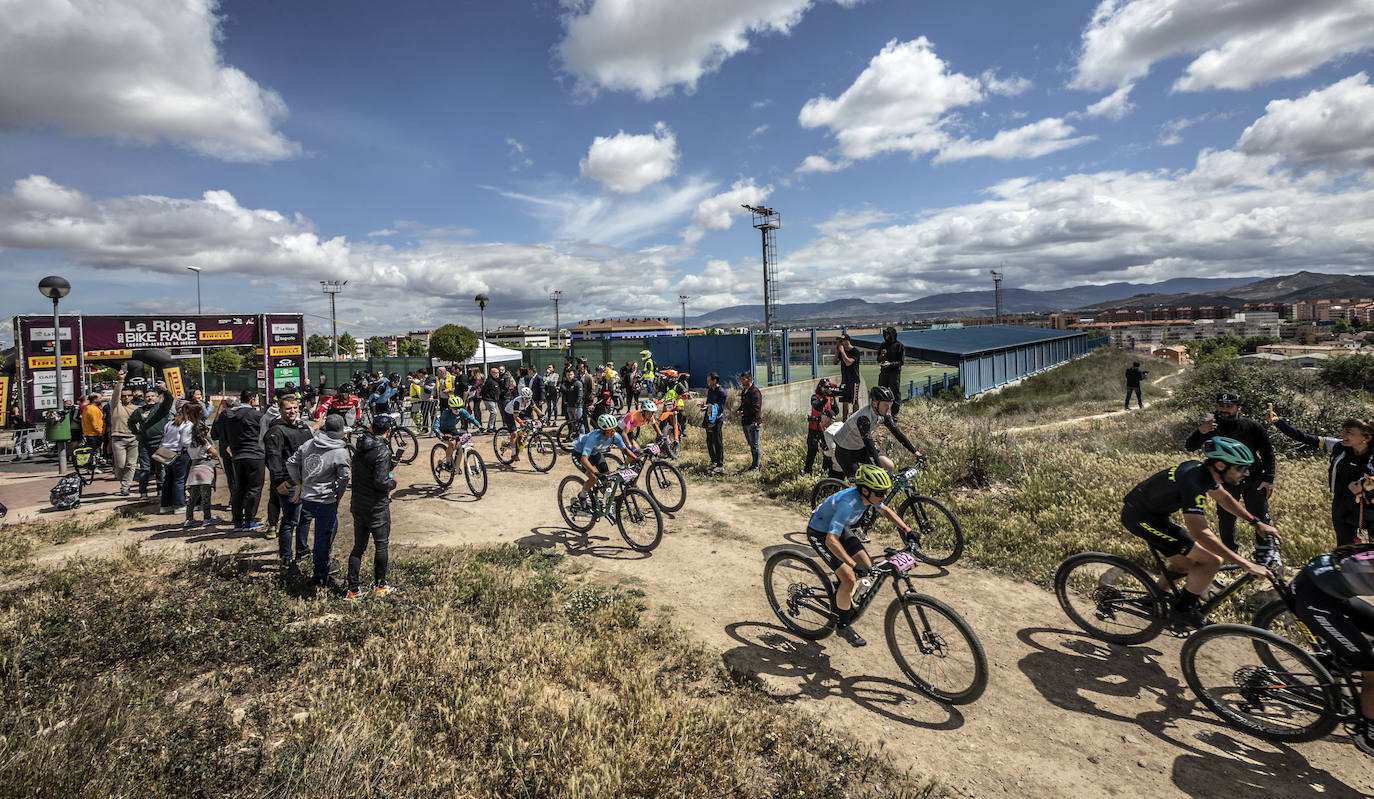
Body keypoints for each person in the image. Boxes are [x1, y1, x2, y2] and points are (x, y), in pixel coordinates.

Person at [1121, 437, 1277, 628]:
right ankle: (1182, 611)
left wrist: (1256, 522)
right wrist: (1246, 564)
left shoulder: (1205, 473)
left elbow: (1224, 499)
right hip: (1139, 517)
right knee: (1211, 560)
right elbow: (1200, 533)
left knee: (1184, 563)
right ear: (1220, 465)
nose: (1246, 473)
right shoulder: (1193, 480)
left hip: (1154, 515)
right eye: (1241, 468)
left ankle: (1153, 599)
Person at [806, 465, 914, 647]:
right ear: (865, 490)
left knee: (867, 565)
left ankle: (839, 592)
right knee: (849, 577)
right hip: (820, 534)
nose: (884, 496)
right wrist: (851, 565)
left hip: (840, 530)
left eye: (885, 492)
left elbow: (885, 510)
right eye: (880, 493)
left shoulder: (869, 496)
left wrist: (907, 529)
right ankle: (842, 626)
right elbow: (831, 541)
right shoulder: (847, 505)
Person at [1288, 542, 1374, 755]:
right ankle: (1368, 732)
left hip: (1327, 587)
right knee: (1373, 669)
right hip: (1315, 600)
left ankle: (1343, 660)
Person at [1184, 391, 1276, 551]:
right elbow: (1190, 447)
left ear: (1239, 408)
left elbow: (1267, 452)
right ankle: (1230, 552)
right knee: (1226, 518)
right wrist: (1201, 432)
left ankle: (1264, 553)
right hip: (1225, 480)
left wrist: (1268, 479)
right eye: (1221, 406)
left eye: (1229, 406)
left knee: (1260, 516)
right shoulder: (1210, 426)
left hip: (1253, 478)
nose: (1224, 409)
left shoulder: (1252, 426)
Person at [1270, 412, 1374, 546]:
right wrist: (1279, 422)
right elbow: (1305, 438)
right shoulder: (1339, 446)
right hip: (1342, 503)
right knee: (1345, 548)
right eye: (1342, 430)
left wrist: (1365, 484)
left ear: (1366, 438)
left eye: (1349, 432)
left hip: (1370, 504)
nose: (1342, 435)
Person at [287, 414, 352, 586]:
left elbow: (291, 463)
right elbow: (344, 479)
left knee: (308, 528)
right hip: (325, 501)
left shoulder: (308, 444)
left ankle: (305, 556)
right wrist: (338, 496)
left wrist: (299, 483)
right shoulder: (340, 452)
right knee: (323, 537)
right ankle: (321, 575)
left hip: (307, 498)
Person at [346, 414, 399, 600]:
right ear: (388, 431)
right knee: (381, 546)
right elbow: (380, 481)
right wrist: (392, 483)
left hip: (358, 504)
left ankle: (353, 590)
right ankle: (380, 586)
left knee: (358, 548)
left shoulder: (360, 447)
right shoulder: (383, 451)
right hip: (376, 506)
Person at [264, 395, 315, 561]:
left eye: (295, 408)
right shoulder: (276, 431)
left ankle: (303, 551)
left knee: (306, 517)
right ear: (280, 410)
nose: (292, 411)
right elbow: (273, 457)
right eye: (288, 408)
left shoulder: (303, 427)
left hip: (306, 482)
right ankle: (286, 557)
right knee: (290, 520)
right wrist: (278, 480)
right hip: (288, 482)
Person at [831, 386, 919, 476]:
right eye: (885, 405)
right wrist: (879, 468)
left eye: (889, 404)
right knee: (859, 485)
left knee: (889, 466)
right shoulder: (864, 418)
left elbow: (897, 433)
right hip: (845, 452)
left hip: (860, 448)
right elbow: (869, 444)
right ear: (874, 404)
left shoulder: (882, 414)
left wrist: (916, 453)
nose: (888, 408)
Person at [571, 413, 639, 511]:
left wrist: (635, 458)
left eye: (614, 429)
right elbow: (584, 459)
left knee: (607, 478)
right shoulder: (593, 438)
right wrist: (596, 473)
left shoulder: (615, 436)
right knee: (593, 478)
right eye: (610, 431)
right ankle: (582, 495)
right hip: (579, 454)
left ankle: (607, 504)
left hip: (595, 453)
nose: (613, 433)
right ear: (603, 431)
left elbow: (624, 450)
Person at [221, 389, 266, 532]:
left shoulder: (227, 415)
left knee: (238, 488)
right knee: (254, 488)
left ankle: (238, 521)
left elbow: (219, 432)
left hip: (237, 455)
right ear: (252, 399)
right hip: (255, 454)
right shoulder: (257, 415)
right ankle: (250, 520)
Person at [129, 385, 173, 501]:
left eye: (153, 396)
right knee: (145, 469)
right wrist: (136, 433)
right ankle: (143, 493)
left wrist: (165, 390)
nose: (150, 398)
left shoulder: (162, 408)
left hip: (159, 442)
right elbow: (131, 422)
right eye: (147, 396)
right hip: (144, 443)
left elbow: (170, 399)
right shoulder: (139, 411)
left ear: (157, 397)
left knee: (161, 468)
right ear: (144, 398)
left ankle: (161, 490)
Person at [158, 402, 200, 516]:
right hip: (180, 454)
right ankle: (179, 505)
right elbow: (185, 442)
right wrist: (196, 442)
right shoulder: (188, 425)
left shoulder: (170, 423)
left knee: (168, 479)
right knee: (179, 480)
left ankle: (165, 505)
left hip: (166, 453)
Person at [183, 417, 219, 528]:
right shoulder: (204, 442)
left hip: (194, 469)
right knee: (205, 496)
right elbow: (215, 453)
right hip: (205, 469)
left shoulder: (189, 443)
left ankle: (189, 518)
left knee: (193, 496)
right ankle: (207, 518)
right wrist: (210, 453)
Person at [108, 368, 139, 495]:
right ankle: (123, 481)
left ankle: (125, 486)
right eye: (124, 395)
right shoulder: (115, 406)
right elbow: (115, 396)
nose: (126, 397)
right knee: (120, 465)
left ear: (132, 397)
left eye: (128, 395)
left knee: (131, 464)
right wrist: (120, 381)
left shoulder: (137, 409)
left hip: (133, 439)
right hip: (118, 438)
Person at [434, 396, 481, 468]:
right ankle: (448, 462)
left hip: (452, 429)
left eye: (459, 407)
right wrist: (441, 434)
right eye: (455, 408)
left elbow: (470, 418)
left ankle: (456, 464)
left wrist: (479, 426)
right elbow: (436, 425)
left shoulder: (461, 411)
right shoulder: (445, 414)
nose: (458, 410)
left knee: (459, 445)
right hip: (442, 431)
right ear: (450, 407)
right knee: (452, 444)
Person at [806, 379, 839, 475]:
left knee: (827, 452)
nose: (827, 389)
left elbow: (835, 412)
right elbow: (818, 407)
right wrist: (825, 397)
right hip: (814, 429)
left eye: (828, 387)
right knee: (811, 452)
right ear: (820, 387)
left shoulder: (829, 398)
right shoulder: (815, 397)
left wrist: (832, 401)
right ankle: (807, 472)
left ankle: (825, 471)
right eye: (825, 387)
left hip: (825, 430)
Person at [735, 372, 762, 473]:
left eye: (743, 379)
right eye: (741, 379)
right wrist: (739, 410)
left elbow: (756, 408)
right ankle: (753, 465)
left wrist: (742, 412)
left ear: (749, 379)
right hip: (745, 421)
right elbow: (743, 405)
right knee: (751, 444)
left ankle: (756, 467)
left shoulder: (755, 392)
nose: (742, 381)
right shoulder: (744, 391)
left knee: (755, 445)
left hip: (753, 422)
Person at [700, 372, 726, 474]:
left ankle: (720, 464)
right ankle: (713, 460)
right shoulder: (710, 391)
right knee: (709, 441)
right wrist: (704, 407)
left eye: (709, 380)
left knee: (717, 441)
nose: (707, 382)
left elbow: (720, 408)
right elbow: (708, 403)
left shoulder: (721, 392)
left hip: (717, 419)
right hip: (709, 418)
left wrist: (709, 407)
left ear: (714, 381)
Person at [876, 327, 905, 416]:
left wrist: (890, 364)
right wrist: (881, 354)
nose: (886, 336)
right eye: (885, 334)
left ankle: (894, 414)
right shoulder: (883, 345)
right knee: (881, 393)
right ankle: (880, 414)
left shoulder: (899, 345)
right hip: (884, 373)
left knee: (895, 394)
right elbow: (878, 359)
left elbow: (901, 362)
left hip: (894, 373)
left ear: (892, 334)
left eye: (888, 334)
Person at [836, 334, 860, 420]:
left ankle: (855, 418)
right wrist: (837, 351)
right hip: (845, 379)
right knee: (844, 401)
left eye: (842, 341)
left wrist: (842, 352)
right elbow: (835, 362)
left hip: (854, 380)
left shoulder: (855, 352)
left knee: (854, 400)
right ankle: (844, 419)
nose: (841, 343)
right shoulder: (841, 351)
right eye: (840, 342)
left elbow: (848, 362)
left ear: (847, 341)